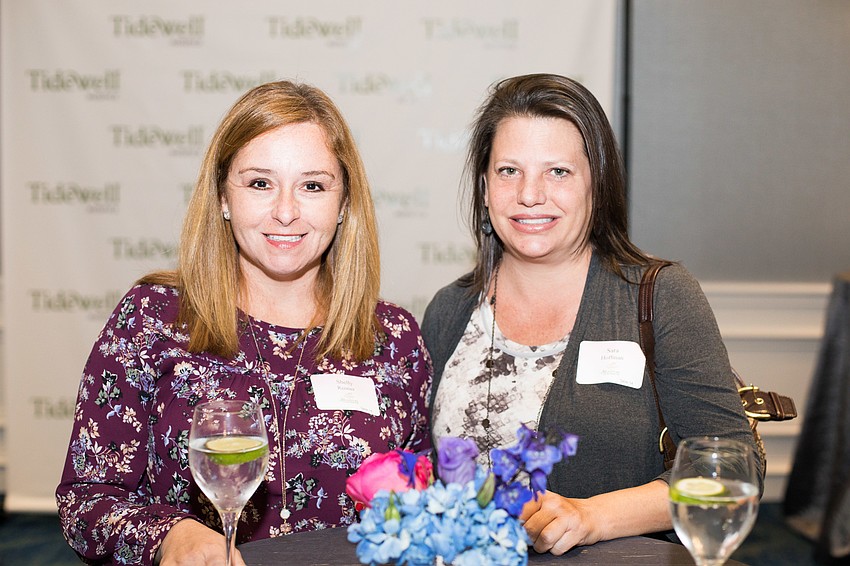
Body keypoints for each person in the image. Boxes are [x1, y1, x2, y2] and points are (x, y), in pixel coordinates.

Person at [56, 80, 432, 565]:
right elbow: (85, 498)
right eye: (260, 183)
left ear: (343, 204)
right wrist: (170, 535)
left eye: (313, 185)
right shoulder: (155, 317)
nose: (285, 211)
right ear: (223, 198)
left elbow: (424, 498)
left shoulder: (393, 339)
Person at [421, 73, 762, 555]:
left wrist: (592, 517)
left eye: (558, 172)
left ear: (596, 185)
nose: (530, 194)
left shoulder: (659, 295)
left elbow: (733, 467)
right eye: (508, 171)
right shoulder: (449, 310)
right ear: (484, 186)